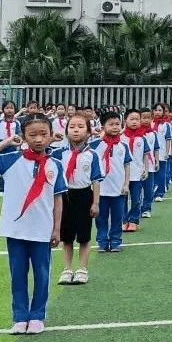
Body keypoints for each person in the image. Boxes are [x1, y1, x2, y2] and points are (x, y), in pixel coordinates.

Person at [0, 113, 66, 334]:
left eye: (43, 134)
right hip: (15, 229)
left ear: (50, 135)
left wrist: (56, 228)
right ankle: (19, 317)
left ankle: (37, 316)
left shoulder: (55, 164)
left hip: (42, 229)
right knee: (18, 274)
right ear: (23, 136)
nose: (38, 139)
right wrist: (7, 142)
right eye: (32, 134)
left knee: (42, 274)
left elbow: (58, 199)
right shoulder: (11, 160)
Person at [56, 113, 102, 285]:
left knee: (84, 236)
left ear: (89, 132)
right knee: (66, 237)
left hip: (84, 195)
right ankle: (67, 269)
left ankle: (82, 269)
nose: (76, 130)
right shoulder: (59, 153)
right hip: (65, 196)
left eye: (81, 127)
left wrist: (95, 203)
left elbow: (96, 180)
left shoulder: (92, 155)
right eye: (72, 127)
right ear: (66, 131)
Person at [91, 111, 131, 253]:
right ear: (102, 127)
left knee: (117, 217)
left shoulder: (123, 146)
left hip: (118, 188)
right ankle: (102, 241)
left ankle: (115, 241)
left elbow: (127, 166)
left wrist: (126, 184)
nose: (115, 127)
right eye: (111, 124)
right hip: (100, 189)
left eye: (117, 124)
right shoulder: (96, 145)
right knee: (100, 218)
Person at [121, 109, 151, 232]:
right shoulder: (121, 138)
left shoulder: (142, 138)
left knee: (136, 199)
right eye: (131, 119)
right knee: (122, 199)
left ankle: (133, 220)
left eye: (137, 120)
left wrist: (146, 170)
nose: (134, 122)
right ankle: (123, 220)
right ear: (125, 121)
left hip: (137, 174)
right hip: (122, 175)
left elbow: (146, 155)